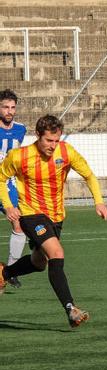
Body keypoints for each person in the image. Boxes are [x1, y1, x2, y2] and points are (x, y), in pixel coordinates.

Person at [0, 115, 107, 327]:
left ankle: (5, 272)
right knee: (57, 253)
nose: (53, 145)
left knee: (39, 263)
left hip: (56, 217)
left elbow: (89, 175)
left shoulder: (66, 151)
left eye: (56, 140)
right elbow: (1, 178)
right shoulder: (19, 156)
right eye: (49, 140)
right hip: (31, 214)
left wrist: (99, 202)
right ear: (38, 135)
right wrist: (8, 205)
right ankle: (71, 309)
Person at [0, 89, 28, 289]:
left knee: (18, 225)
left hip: (7, 185)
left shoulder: (21, 129)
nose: (9, 111)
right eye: (5, 107)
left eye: (12, 107)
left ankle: (10, 271)